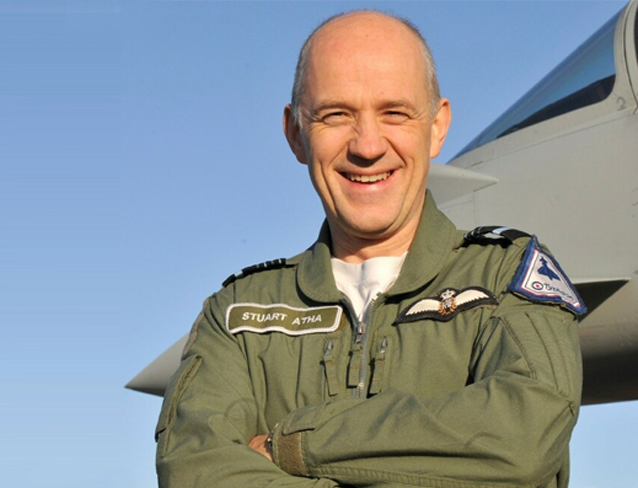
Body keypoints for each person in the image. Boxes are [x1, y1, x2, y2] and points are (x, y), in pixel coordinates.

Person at [153, 10, 586, 488]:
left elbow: (521, 437)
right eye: (336, 115)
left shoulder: (506, 280)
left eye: (394, 113)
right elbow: (195, 468)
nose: (367, 145)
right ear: (296, 133)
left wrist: (296, 445)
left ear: (437, 126)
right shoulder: (238, 314)